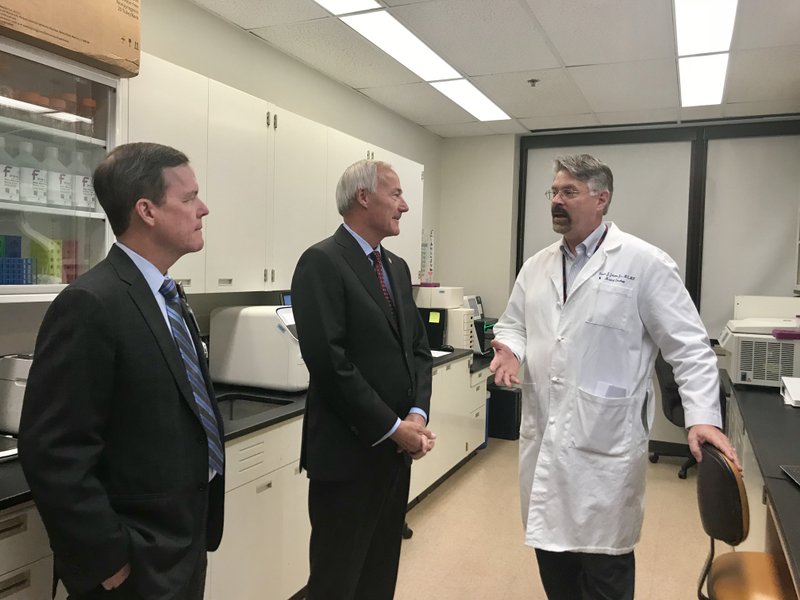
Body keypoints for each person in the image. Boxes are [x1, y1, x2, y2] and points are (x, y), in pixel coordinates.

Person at [490, 153, 740, 600]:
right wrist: (509, 348)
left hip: (604, 448)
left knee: (605, 573)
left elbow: (689, 347)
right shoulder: (537, 266)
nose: (556, 201)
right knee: (555, 567)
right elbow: (513, 323)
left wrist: (704, 417)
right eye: (554, 191)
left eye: (569, 192)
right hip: (545, 437)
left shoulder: (644, 263)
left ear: (601, 199)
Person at [19, 142, 224, 600]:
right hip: (133, 559)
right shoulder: (91, 304)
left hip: (183, 542)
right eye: (189, 198)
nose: (203, 209)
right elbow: (54, 450)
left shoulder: (169, 296)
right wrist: (107, 560)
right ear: (147, 210)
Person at [291, 159, 435, 600]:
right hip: (347, 457)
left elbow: (417, 350)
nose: (405, 205)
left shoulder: (396, 266)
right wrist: (394, 430)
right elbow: (329, 364)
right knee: (338, 578)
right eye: (396, 194)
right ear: (363, 197)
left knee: (380, 571)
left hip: (394, 457)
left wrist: (415, 413)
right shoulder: (321, 262)